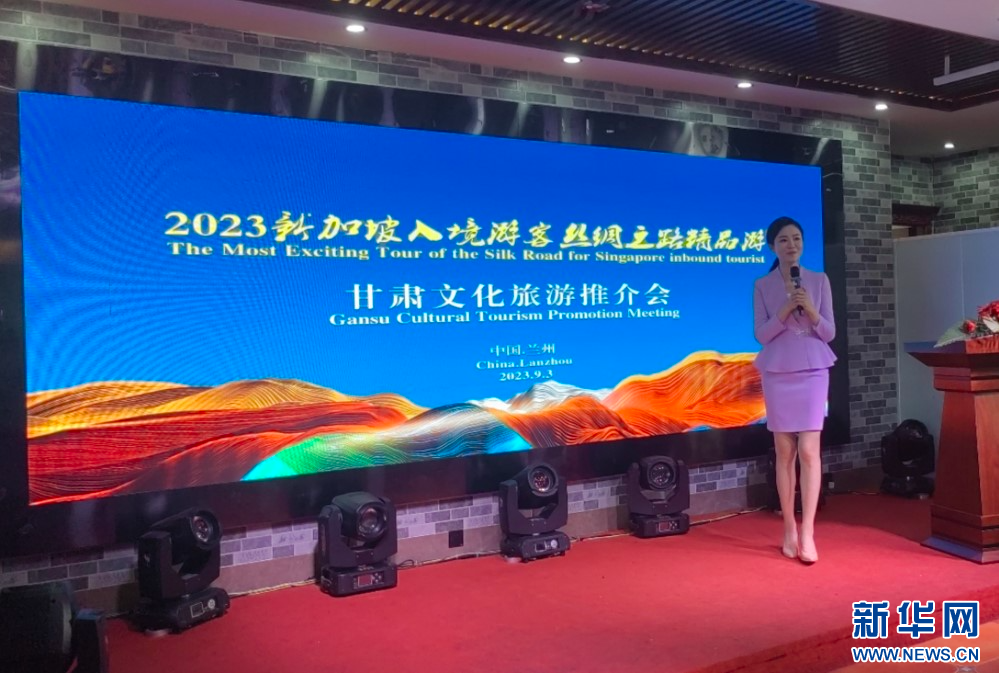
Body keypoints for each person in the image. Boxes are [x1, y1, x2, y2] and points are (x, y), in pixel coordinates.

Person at [753, 216, 836, 564]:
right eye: (784, 240)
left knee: (809, 450)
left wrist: (812, 311)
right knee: (784, 452)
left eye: (797, 238)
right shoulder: (763, 285)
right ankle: (789, 527)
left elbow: (829, 333)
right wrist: (785, 310)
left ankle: (808, 532)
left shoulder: (818, 280)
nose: (792, 245)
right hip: (778, 372)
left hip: (814, 370)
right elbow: (761, 335)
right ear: (773, 246)